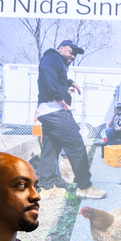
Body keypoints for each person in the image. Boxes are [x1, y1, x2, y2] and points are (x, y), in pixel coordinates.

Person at [36, 39, 106, 199]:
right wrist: (60, 95)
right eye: (70, 51)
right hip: (55, 111)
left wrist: (68, 82)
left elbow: (53, 76)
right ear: (61, 48)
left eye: (75, 54)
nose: (72, 55)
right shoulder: (52, 57)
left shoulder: (54, 61)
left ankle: (47, 188)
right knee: (76, 143)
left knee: (50, 148)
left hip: (46, 111)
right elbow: (47, 72)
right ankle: (84, 186)